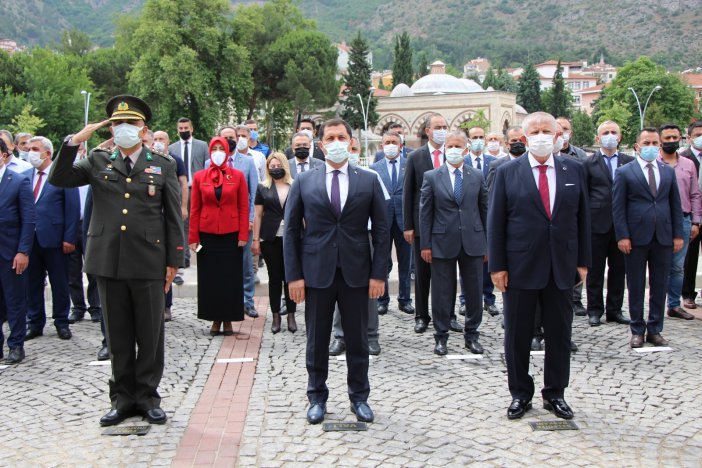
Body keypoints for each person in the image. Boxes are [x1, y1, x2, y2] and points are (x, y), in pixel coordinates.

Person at [49, 95, 184, 427]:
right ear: (111, 128)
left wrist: (174, 261)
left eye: (133, 124)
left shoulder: (162, 163)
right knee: (118, 336)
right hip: (108, 261)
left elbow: (172, 218)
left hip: (149, 261)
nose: (126, 129)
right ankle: (122, 399)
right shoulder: (96, 160)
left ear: (144, 129)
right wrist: (73, 142)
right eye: (119, 124)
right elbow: (59, 178)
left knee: (150, 336)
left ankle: (148, 397)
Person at [284, 118, 389, 425]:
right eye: (330, 137)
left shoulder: (367, 180)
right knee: (317, 339)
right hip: (316, 273)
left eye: (341, 136)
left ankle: (359, 397)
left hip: (357, 272)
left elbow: (381, 231)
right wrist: (294, 276)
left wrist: (378, 275)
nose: (336, 142)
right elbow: (291, 232)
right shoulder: (304, 181)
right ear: (321, 144)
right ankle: (316, 396)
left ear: (351, 141)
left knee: (357, 340)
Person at [489, 112, 590, 421]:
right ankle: (520, 393)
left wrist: (584, 261)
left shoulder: (574, 168)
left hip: (561, 265)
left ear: (558, 136)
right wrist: (497, 266)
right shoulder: (507, 172)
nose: (542, 135)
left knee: (559, 333)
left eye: (548, 130)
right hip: (520, 266)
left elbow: (583, 218)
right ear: (525, 135)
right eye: (536, 131)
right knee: (517, 334)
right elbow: (496, 222)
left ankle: (555, 393)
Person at [612, 127, 684, 348]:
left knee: (659, 284)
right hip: (635, 238)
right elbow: (618, 207)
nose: (651, 147)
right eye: (647, 143)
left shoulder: (668, 172)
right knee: (635, 284)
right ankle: (637, 329)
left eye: (655, 144)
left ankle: (655, 329)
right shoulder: (625, 172)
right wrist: (622, 235)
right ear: (637, 146)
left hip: (662, 237)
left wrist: (677, 234)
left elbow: (675, 205)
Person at [420, 130, 488, 355]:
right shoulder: (432, 176)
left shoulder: (477, 176)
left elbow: (484, 209)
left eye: (458, 146)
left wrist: (487, 243)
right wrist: (426, 245)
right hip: (441, 243)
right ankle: (441, 336)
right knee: (441, 292)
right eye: (450, 146)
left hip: (473, 242)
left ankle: (472, 335)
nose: (454, 150)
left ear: (466, 150)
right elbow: (425, 213)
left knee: (474, 290)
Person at [328, 137, 390, 357]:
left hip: (367, 238)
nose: (351, 152)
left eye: (353, 149)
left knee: (369, 290)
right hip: (340, 241)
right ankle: (340, 336)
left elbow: (382, 213)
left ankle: (371, 335)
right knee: (338, 287)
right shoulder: (328, 177)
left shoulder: (371, 176)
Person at [189, 137, 249, 335]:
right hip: (207, 234)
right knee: (210, 279)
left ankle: (229, 318)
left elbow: (243, 206)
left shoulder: (237, 176)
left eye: (220, 148)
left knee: (230, 278)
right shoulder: (200, 177)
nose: (217, 152)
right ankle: (214, 319)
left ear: (226, 151)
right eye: (213, 148)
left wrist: (243, 234)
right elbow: (195, 208)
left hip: (231, 234)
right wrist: (193, 237)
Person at [24, 136, 80, 342]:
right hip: (30, 240)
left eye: (35, 149)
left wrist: (69, 237)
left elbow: (73, 209)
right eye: (29, 148)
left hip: (56, 240)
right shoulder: (26, 176)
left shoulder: (61, 176)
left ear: (48, 153)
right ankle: (35, 322)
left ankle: (61, 322)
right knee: (32, 283)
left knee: (59, 283)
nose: (31, 152)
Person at [582, 121, 634, 327]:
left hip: (622, 226)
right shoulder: (588, 163)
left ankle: (614, 310)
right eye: (606, 133)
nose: (610, 136)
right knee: (594, 271)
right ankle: (594, 310)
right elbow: (583, 195)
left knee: (618, 270)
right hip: (596, 225)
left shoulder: (629, 162)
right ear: (598, 138)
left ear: (620, 137)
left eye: (614, 132)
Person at [403, 113, 449, 334]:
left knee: (447, 273)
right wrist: (408, 225)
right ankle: (421, 315)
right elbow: (408, 192)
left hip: (449, 225)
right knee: (422, 274)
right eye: (438, 126)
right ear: (427, 131)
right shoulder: (416, 157)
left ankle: (448, 314)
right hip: (423, 225)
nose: (442, 130)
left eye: (445, 126)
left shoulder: (454, 152)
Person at [657, 124, 700, 321]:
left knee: (677, 266)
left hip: (682, 219)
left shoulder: (688, 164)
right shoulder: (653, 162)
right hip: (657, 220)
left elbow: (694, 194)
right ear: (660, 140)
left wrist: (695, 221)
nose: (672, 141)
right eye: (668, 138)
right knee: (657, 264)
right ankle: (654, 306)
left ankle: (673, 305)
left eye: (675, 137)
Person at [252, 153, 297, 334]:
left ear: (284, 166)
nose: (275, 167)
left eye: (278, 164)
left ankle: (291, 315)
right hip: (270, 238)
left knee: (290, 277)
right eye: (272, 165)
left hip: (291, 238)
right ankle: (276, 316)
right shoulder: (262, 187)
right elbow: (257, 215)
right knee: (275, 278)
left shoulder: (294, 185)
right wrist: (256, 239)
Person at [0, 139, 36, 364]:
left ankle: (16, 345)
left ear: (4, 155)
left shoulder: (18, 181)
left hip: (10, 252)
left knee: (15, 301)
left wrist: (23, 250)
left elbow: (28, 219)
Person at [218, 125, 259, 318]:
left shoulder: (248, 162)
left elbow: (253, 193)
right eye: (225, 137)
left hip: (243, 222)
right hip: (220, 224)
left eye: (231, 137)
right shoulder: (212, 161)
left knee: (245, 265)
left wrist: (251, 218)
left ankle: (248, 301)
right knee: (224, 265)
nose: (229, 140)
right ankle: (228, 301)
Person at [370, 131, 413, 316]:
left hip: (404, 221)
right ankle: (383, 300)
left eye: (394, 142)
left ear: (401, 145)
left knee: (405, 262)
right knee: (382, 261)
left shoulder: (409, 165)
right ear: (381, 145)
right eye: (387, 142)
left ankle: (405, 299)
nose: (390, 145)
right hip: (382, 221)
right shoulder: (374, 168)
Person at [462, 126, 499, 317]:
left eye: (481, 137)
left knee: (487, 259)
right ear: (468, 140)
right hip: (467, 217)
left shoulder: (494, 162)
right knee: (466, 260)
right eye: (474, 137)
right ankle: (464, 299)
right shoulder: (463, 161)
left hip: (487, 216)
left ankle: (488, 298)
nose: (478, 140)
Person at [168, 117, 208, 269]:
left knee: (199, 223)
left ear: (192, 129)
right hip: (180, 191)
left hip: (199, 190)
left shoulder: (202, 146)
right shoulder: (172, 148)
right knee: (183, 224)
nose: (183, 131)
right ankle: (185, 257)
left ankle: (202, 252)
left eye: (186, 128)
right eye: (181, 129)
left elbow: (207, 166)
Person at [154, 129, 189, 294]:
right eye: (156, 138)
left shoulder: (175, 160)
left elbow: (183, 184)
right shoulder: (148, 159)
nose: (158, 141)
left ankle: (177, 270)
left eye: (162, 138)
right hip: (154, 215)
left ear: (168, 142)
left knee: (175, 240)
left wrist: (183, 206)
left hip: (171, 209)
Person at [680, 120, 702, 309]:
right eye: (697, 135)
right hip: (692, 215)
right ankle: (688, 294)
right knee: (690, 257)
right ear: (689, 138)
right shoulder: (684, 159)